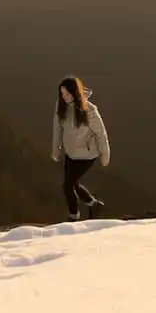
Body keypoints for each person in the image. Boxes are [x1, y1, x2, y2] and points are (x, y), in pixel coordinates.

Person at [51, 75, 110, 220]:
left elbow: (100, 133)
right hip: (71, 153)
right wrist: (56, 149)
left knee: (67, 185)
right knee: (73, 183)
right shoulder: (61, 105)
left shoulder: (89, 110)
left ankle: (73, 216)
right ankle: (93, 204)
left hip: (87, 155)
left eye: (67, 93)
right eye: (62, 93)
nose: (64, 97)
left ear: (75, 92)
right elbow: (57, 128)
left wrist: (105, 155)